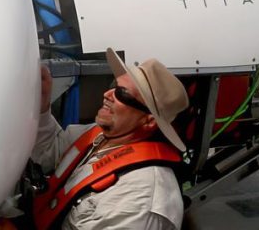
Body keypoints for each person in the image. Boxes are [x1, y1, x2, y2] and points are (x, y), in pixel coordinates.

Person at [28, 48, 190, 230]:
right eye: (114, 85)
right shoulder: (98, 135)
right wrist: (41, 107)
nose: (107, 94)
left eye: (122, 93)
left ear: (149, 121)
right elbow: (49, 152)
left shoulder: (140, 199)